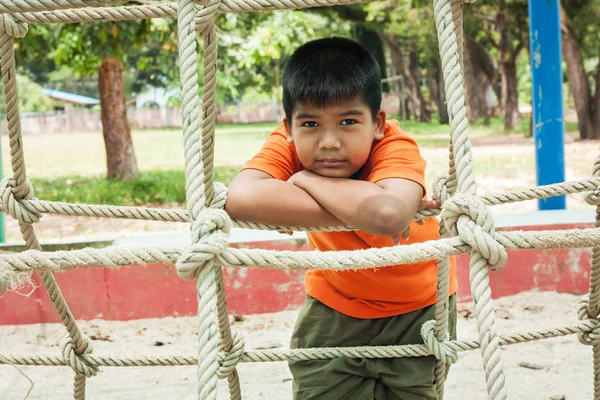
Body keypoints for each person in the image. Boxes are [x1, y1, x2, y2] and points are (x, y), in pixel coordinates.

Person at [225, 37, 457, 400]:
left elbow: (388, 213)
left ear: (377, 122)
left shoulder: (394, 145)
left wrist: (303, 181)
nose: (329, 141)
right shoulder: (286, 142)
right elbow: (240, 198)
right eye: (311, 124)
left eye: (348, 121)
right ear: (288, 127)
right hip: (334, 305)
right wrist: (357, 203)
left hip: (420, 309)